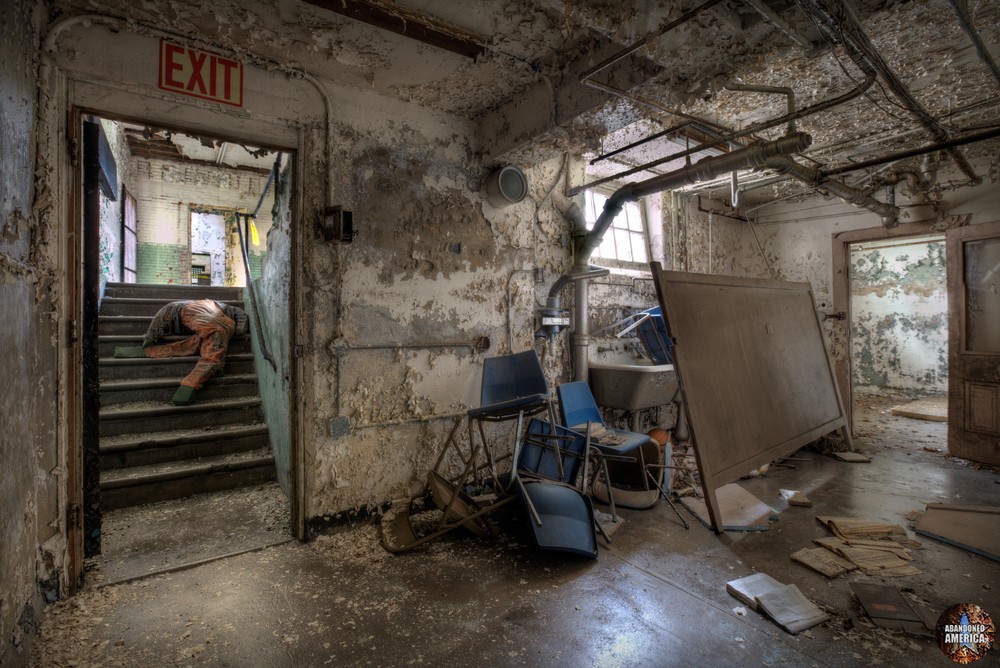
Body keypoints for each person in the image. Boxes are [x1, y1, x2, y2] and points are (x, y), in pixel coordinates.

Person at [114, 299, 249, 405]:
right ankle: (190, 384)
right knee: (213, 344)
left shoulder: (219, 307)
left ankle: (188, 383)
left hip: (215, 320)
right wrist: (149, 339)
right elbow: (241, 315)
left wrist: (149, 340)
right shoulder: (220, 307)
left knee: (203, 341)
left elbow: (241, 315)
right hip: (207, 316)